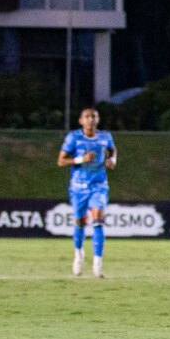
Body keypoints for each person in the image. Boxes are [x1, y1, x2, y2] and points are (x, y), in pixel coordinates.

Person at [55, 107, 117, 278]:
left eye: (93, 116)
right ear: (81, 121)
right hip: (78, 188)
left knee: (98, 220)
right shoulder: (73, 138)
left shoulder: (105, 137)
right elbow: (60, 161)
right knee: (80, 222)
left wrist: (112, 160)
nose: (90, 119)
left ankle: (98, 263)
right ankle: (78, 253)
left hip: (98, 185)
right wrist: (81, 159)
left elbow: (112, 150)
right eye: (87, 117)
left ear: (98, 119)